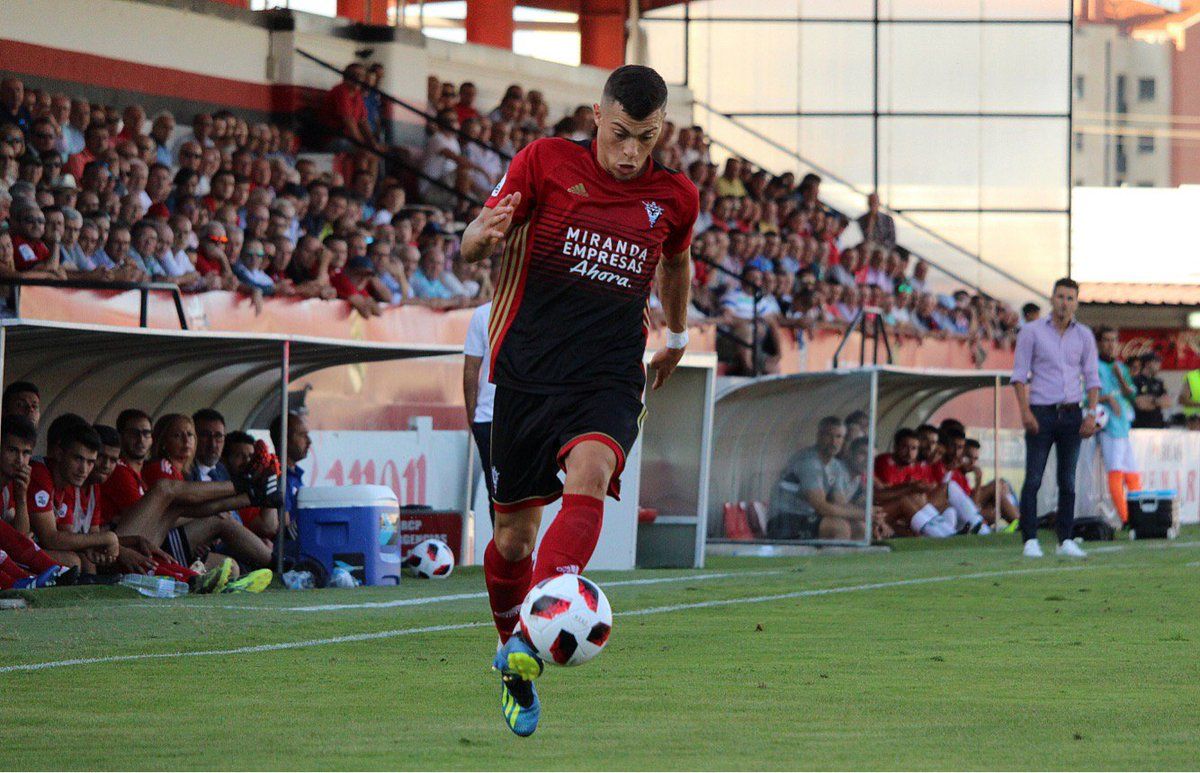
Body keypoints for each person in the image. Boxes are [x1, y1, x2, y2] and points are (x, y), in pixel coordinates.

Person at [458, 65, 698, 737]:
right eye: (620, 134)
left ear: (662, 132)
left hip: (609, 375)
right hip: (526, 375)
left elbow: (676, 262)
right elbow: (470, 238)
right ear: (597, 116)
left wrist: (675, 332)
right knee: (511, 538)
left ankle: (537, 627)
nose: (629, 154)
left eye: (645, 139)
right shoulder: (544, 162)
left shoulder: (675, 195)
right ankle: (514, 649)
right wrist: (484, 236)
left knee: (590, 473)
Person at [1011, 277, 1100, 558]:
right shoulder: (1031, 332)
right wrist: (1025, 411)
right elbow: (1019, 375)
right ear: (1051, 298)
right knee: (1034, 477)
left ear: (1076, 302)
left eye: (1070, 298)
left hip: (1072, 412)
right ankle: (1030, 539)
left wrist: (1090, 415)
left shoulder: (1084, 335)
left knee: (1068, 479)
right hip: (1041, 411)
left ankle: (1065, 538)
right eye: (1060, 297)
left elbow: (1092, 378)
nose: (1064, 303)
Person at [770, 416, 873, 541]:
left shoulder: (835, 465)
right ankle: (832, 560)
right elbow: (821, 506)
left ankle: (850, 561)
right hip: (783, 521)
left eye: (839, 437)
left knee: (860, 527)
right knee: (838, 527)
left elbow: (840, 502)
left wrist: (871, 515)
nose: (834, 442)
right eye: (828, 435)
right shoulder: (809, 461)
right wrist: (865, 514)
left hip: (809, 518)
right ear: (818, 436)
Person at [1095, 326, 1140, 524]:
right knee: (1116, 472)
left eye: (1114, 340)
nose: (1110, 344)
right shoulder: (1093, 366)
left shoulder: (1120, 368)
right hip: (1108, 428)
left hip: (1123, 428)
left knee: (1132, 473)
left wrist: (1121, 377)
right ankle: (1126, 518)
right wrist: (1106, 399)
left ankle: (1140, 516)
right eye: (1106, 340)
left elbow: (1132, 395)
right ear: (1098, 343)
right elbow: (1084, 397)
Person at [463, 300, 497, 523]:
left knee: (517, 490)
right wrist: (473, 417)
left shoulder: (535, 309)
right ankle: (504, 552)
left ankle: (522, 551)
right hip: (489, 417)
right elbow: (471, 368)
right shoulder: (483, 314)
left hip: (524, 416)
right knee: (496, 490)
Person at [1132, 352, 1171, 429]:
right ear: (1148, 364)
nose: (1159, 365)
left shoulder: (1159, 382)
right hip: (1140, 426)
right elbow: (1140, 404)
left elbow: (1167, 403)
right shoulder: (1135, 380)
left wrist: (1151, 401)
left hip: (1158, 425)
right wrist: (1157, 401)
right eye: (1156, 362)